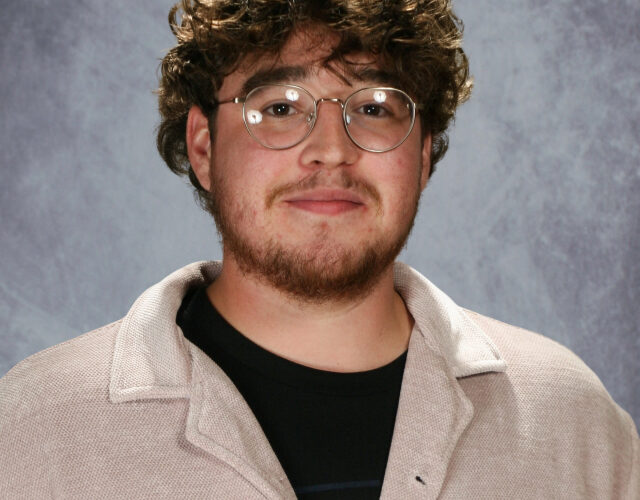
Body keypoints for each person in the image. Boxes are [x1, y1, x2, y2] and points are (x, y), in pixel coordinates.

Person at [1, 0, 638, 498]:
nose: (332, 147)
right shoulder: (31, 433)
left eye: (376, 107)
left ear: (421, 155)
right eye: (278, 107)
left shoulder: (572, 423)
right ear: (202, 147)